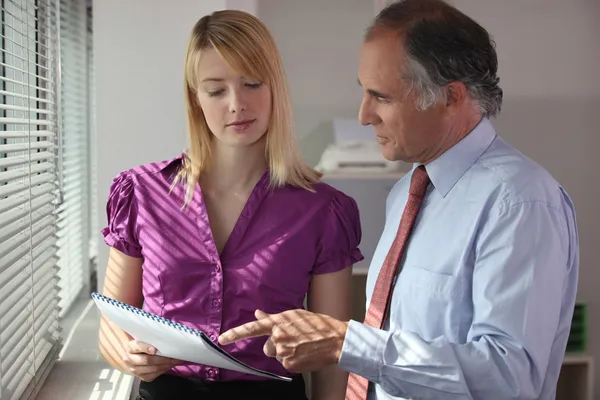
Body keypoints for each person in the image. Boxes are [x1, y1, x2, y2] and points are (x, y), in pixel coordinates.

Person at [218, 1, 580, 399]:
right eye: (364, 93)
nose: (363, 115)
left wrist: (346, 344)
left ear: (451, 98)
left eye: (382, 97)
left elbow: (510, 378)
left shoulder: (520, 202)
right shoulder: (408, 192)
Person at [97, 9, 364, 400]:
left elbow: (330, 355)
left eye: (252, 83)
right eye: (216, 90)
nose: (237, 104)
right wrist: (130, 358)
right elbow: (112, 325)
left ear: (275, 87)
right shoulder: (140, 193)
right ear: (196, 98)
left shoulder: (324, 211)